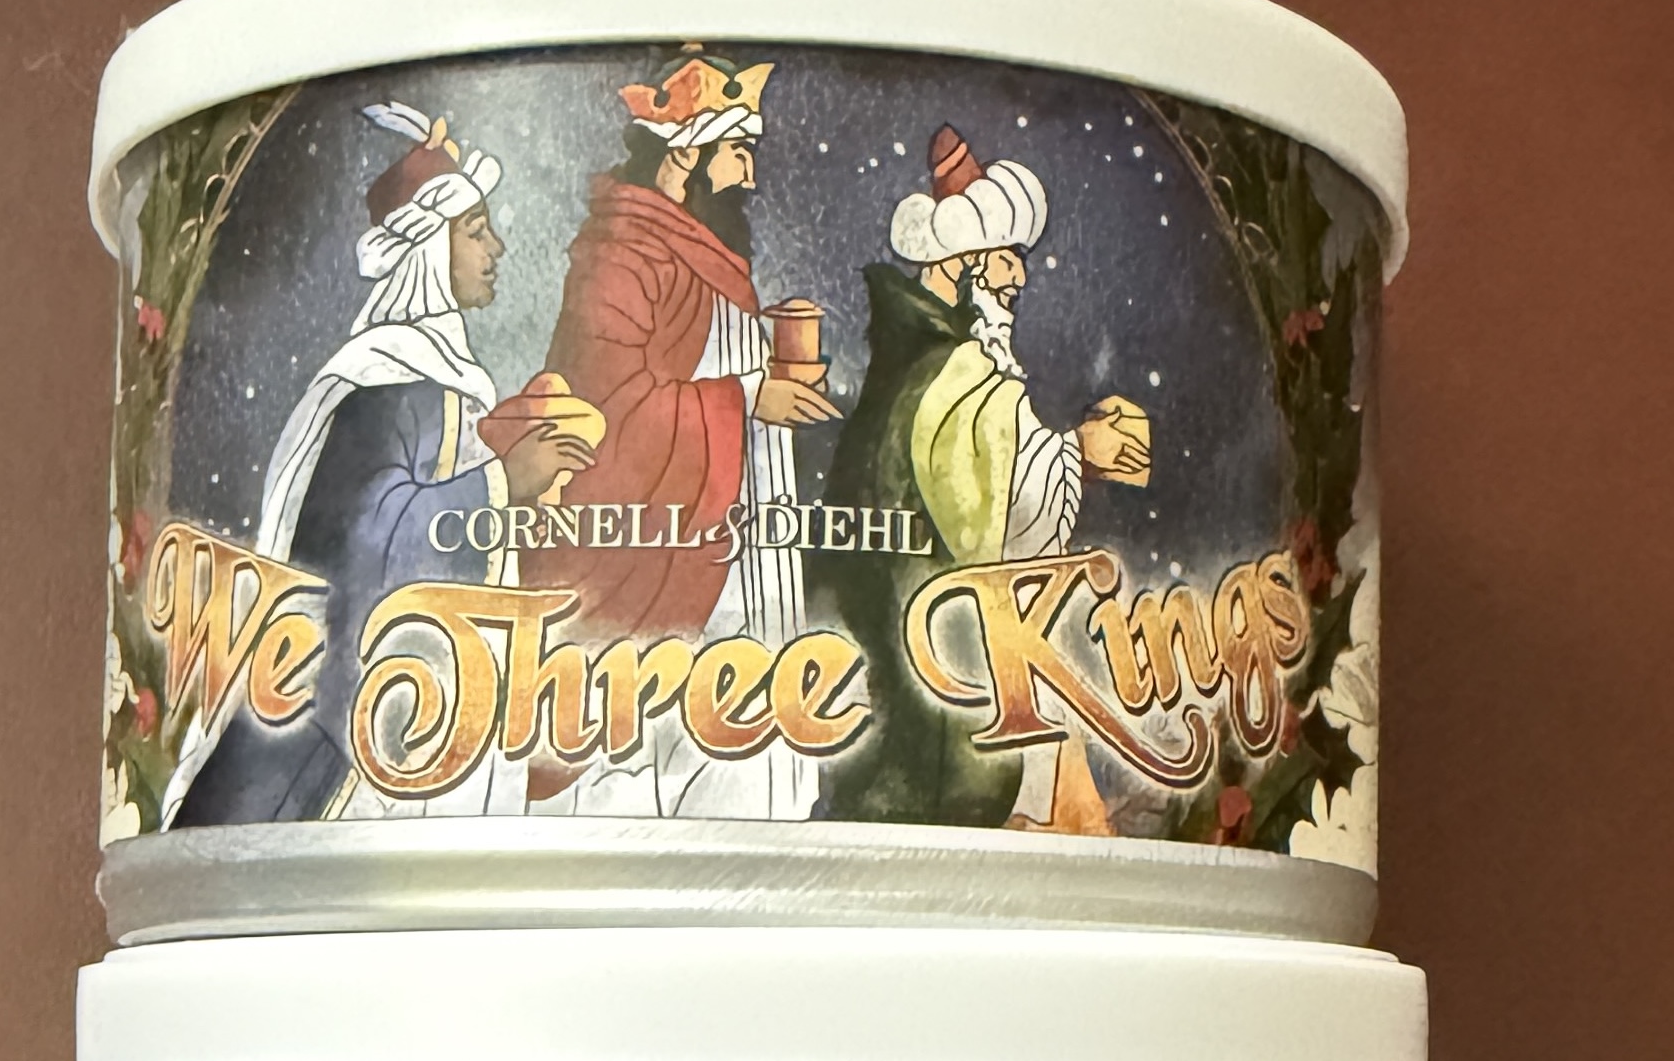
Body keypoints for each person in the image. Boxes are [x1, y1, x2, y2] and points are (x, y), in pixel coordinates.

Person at [168, 104, 593, 827]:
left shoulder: (435, 376)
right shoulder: (389, 382)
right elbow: (369, 542)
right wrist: (503, 482)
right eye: (475, 230)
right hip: (344, 720)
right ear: (426, 248)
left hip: (405, 697)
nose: (497, 247)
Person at [532, 53, 839, 820]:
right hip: (654, 565)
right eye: (737, 152)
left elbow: (707, 358)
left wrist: (772, 382)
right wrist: (748, 400)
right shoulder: (618, 256)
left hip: (734, 545)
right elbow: (607, 410)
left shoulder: (703, 249)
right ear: (684, 157)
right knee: (646, 770)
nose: (751, 174)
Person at [818, 126, 1151, 834]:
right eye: (1004, 260)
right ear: (961, 262)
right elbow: (992, 519)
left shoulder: (918, 356)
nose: (1017, 280)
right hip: (949, 665)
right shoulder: (952, 369)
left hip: (940, 649)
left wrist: (1069, 455)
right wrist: (1082, 453)